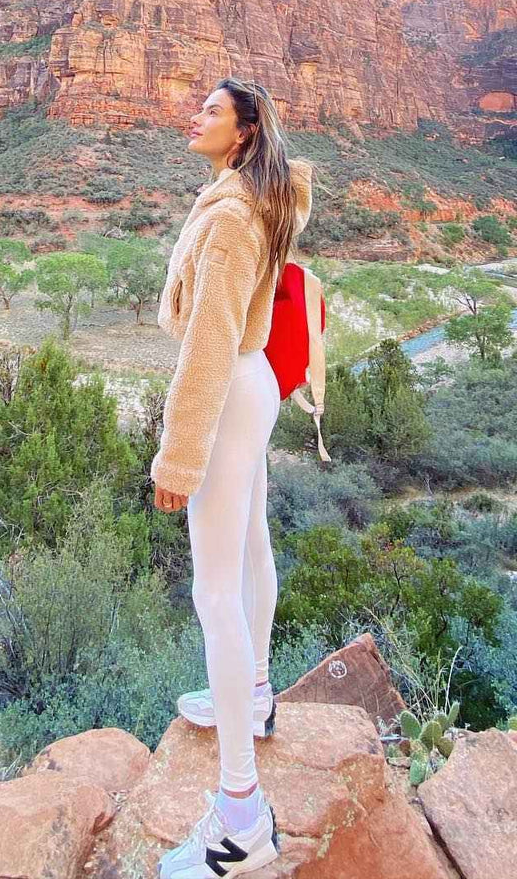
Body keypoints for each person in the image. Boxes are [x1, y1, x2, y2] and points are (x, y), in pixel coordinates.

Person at [151, 76, 316, 878]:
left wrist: (179, 454)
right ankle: (252, 696)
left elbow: (209, 342)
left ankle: (241, 819)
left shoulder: (229, 216)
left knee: (213, 592)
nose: (196, 116)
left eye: (212, 110)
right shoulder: (260, 199)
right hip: (256, 386)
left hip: (226, 392)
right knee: (250, 544)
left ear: (245, 132)